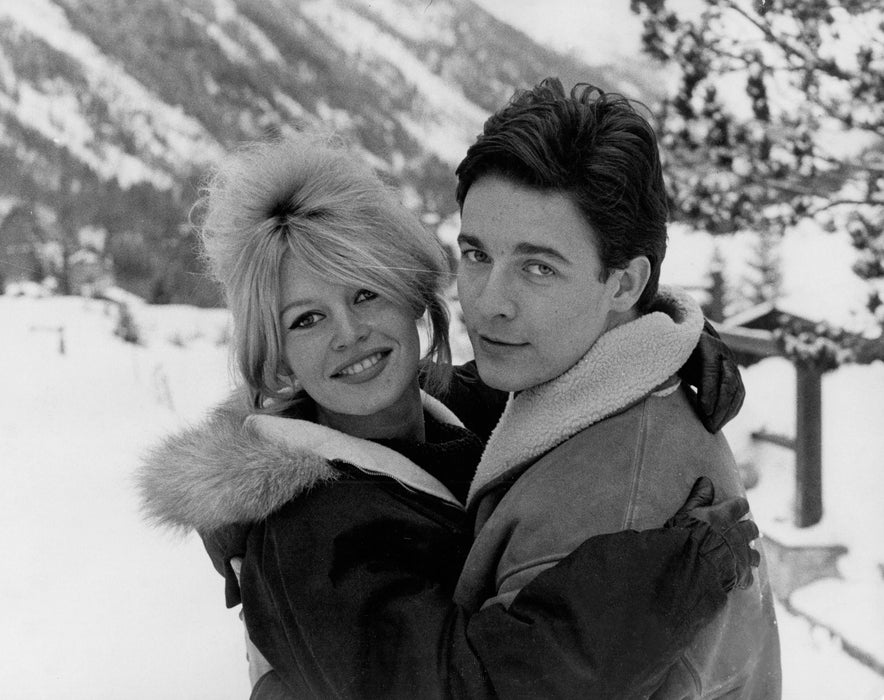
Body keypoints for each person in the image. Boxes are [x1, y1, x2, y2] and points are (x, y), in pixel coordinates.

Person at [138, 130, 758, 699]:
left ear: (412, 295)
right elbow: (465, 688)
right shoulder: (311, 534)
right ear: (278, 361)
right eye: (307, 319)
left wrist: (662, 348)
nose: (349, 334)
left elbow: (573, 351)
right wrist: (665, 582)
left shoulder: (457, 409)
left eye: (365, 293)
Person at [449, 78, 782, 698]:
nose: (488, 303)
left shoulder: (603, 518)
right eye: (475, 255)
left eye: (538, 267)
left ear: (626, 285)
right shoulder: (613, 376)